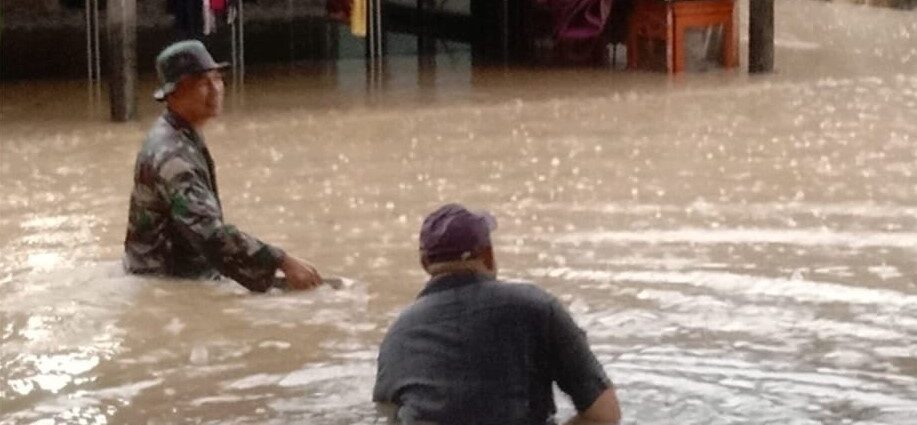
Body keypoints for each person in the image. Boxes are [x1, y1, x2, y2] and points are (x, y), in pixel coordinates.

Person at [373, 203, 621, 424]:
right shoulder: (536, 307)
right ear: (488, 255)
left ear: (425, 264)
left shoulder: (397, 336)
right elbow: (604, 415)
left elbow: (387, 412)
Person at [123, 40, 321, 292]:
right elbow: (210, 235)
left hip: (168, 278)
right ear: (175, 93)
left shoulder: (179, 133)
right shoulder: (173, 155)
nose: (215, 89)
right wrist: (281, 260)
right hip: (165, 284)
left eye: (216, 79)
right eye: (202, 83)